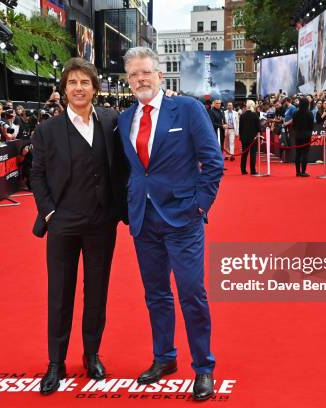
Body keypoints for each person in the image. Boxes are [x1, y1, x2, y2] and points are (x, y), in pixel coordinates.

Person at [117, 46, 223, 401]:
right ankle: (164, 358)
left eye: (146, 72)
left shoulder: (188, 109)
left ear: (160, 75)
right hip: (144, 221)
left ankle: (203, 367)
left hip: (183, 220)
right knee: (156, 295)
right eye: (133, 75)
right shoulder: (124, 119)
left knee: (192, 294)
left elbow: (213, 163)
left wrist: (198, 207)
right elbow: (133, 170)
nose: (140, 79)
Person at [30, 57, 128, 396]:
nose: (78, 88)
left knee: (97, 292)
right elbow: (36, 174)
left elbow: (124, 165)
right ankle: (55, 362)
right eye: (72, 83)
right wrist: (49, 213)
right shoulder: (47, 130)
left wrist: (118, 209)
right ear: (64, 89)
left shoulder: (111, 121)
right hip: (63, 223)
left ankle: (91, 354)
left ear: (95, 88)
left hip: (102, 222)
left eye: (84, 82)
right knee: (60, 294)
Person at [293, 98, 314, 177]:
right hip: (306, 135)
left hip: (298, 135)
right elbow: (311, 125)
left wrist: (296, 131)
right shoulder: (310, 113)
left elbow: (294, 124)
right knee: (305, 153)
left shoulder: (295, 113)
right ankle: (303, 171)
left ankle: (297, 172)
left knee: (298, 153)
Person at [239, 100, 260, 175]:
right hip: (253, 138)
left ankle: (243, 170)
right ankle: (253, 170)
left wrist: (240, 137)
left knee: (244, 154)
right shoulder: (255, 115)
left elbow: (240, 128)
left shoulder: (242, 115)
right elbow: (258, 127)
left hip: (244, 138)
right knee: (253, 154)